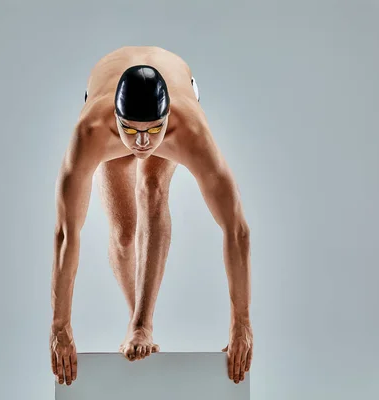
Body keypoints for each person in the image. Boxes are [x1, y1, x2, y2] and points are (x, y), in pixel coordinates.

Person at [49, 46, 252, 386]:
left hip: (174, 82)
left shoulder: (189, 131)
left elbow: (236, 230)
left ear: (167, 118)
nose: (142, 144)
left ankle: (141, 325)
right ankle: (137, 317)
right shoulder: (91, 130)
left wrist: (241, 324)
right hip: (106, 91)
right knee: (124, 233)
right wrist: (60, 327)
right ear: (115, 118)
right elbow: (67, 234)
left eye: (152, 131)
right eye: (130, 131)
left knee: (152, 187)